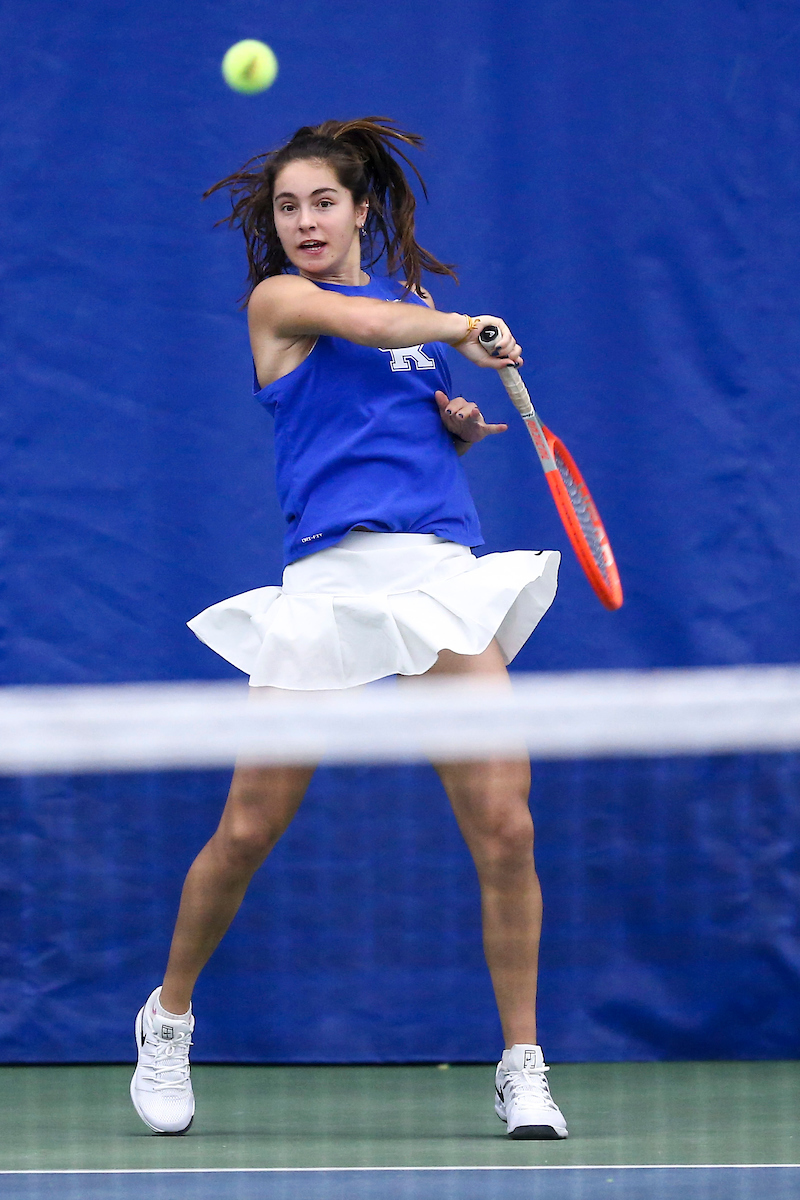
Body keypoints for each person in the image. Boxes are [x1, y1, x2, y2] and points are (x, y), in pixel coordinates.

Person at [129, 118, 567, 1141]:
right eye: (287, 207)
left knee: (506, 824)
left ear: (361, 208)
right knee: (247, 829)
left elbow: (390, 397)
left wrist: (448, 423)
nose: (303, 221)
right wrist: (461, 328)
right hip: (326, 583)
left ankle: (520, 1063)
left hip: (437, 573)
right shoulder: (280, 302)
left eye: (322, 201)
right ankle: (169, 1017)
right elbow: (358, 332)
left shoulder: (414, 317)